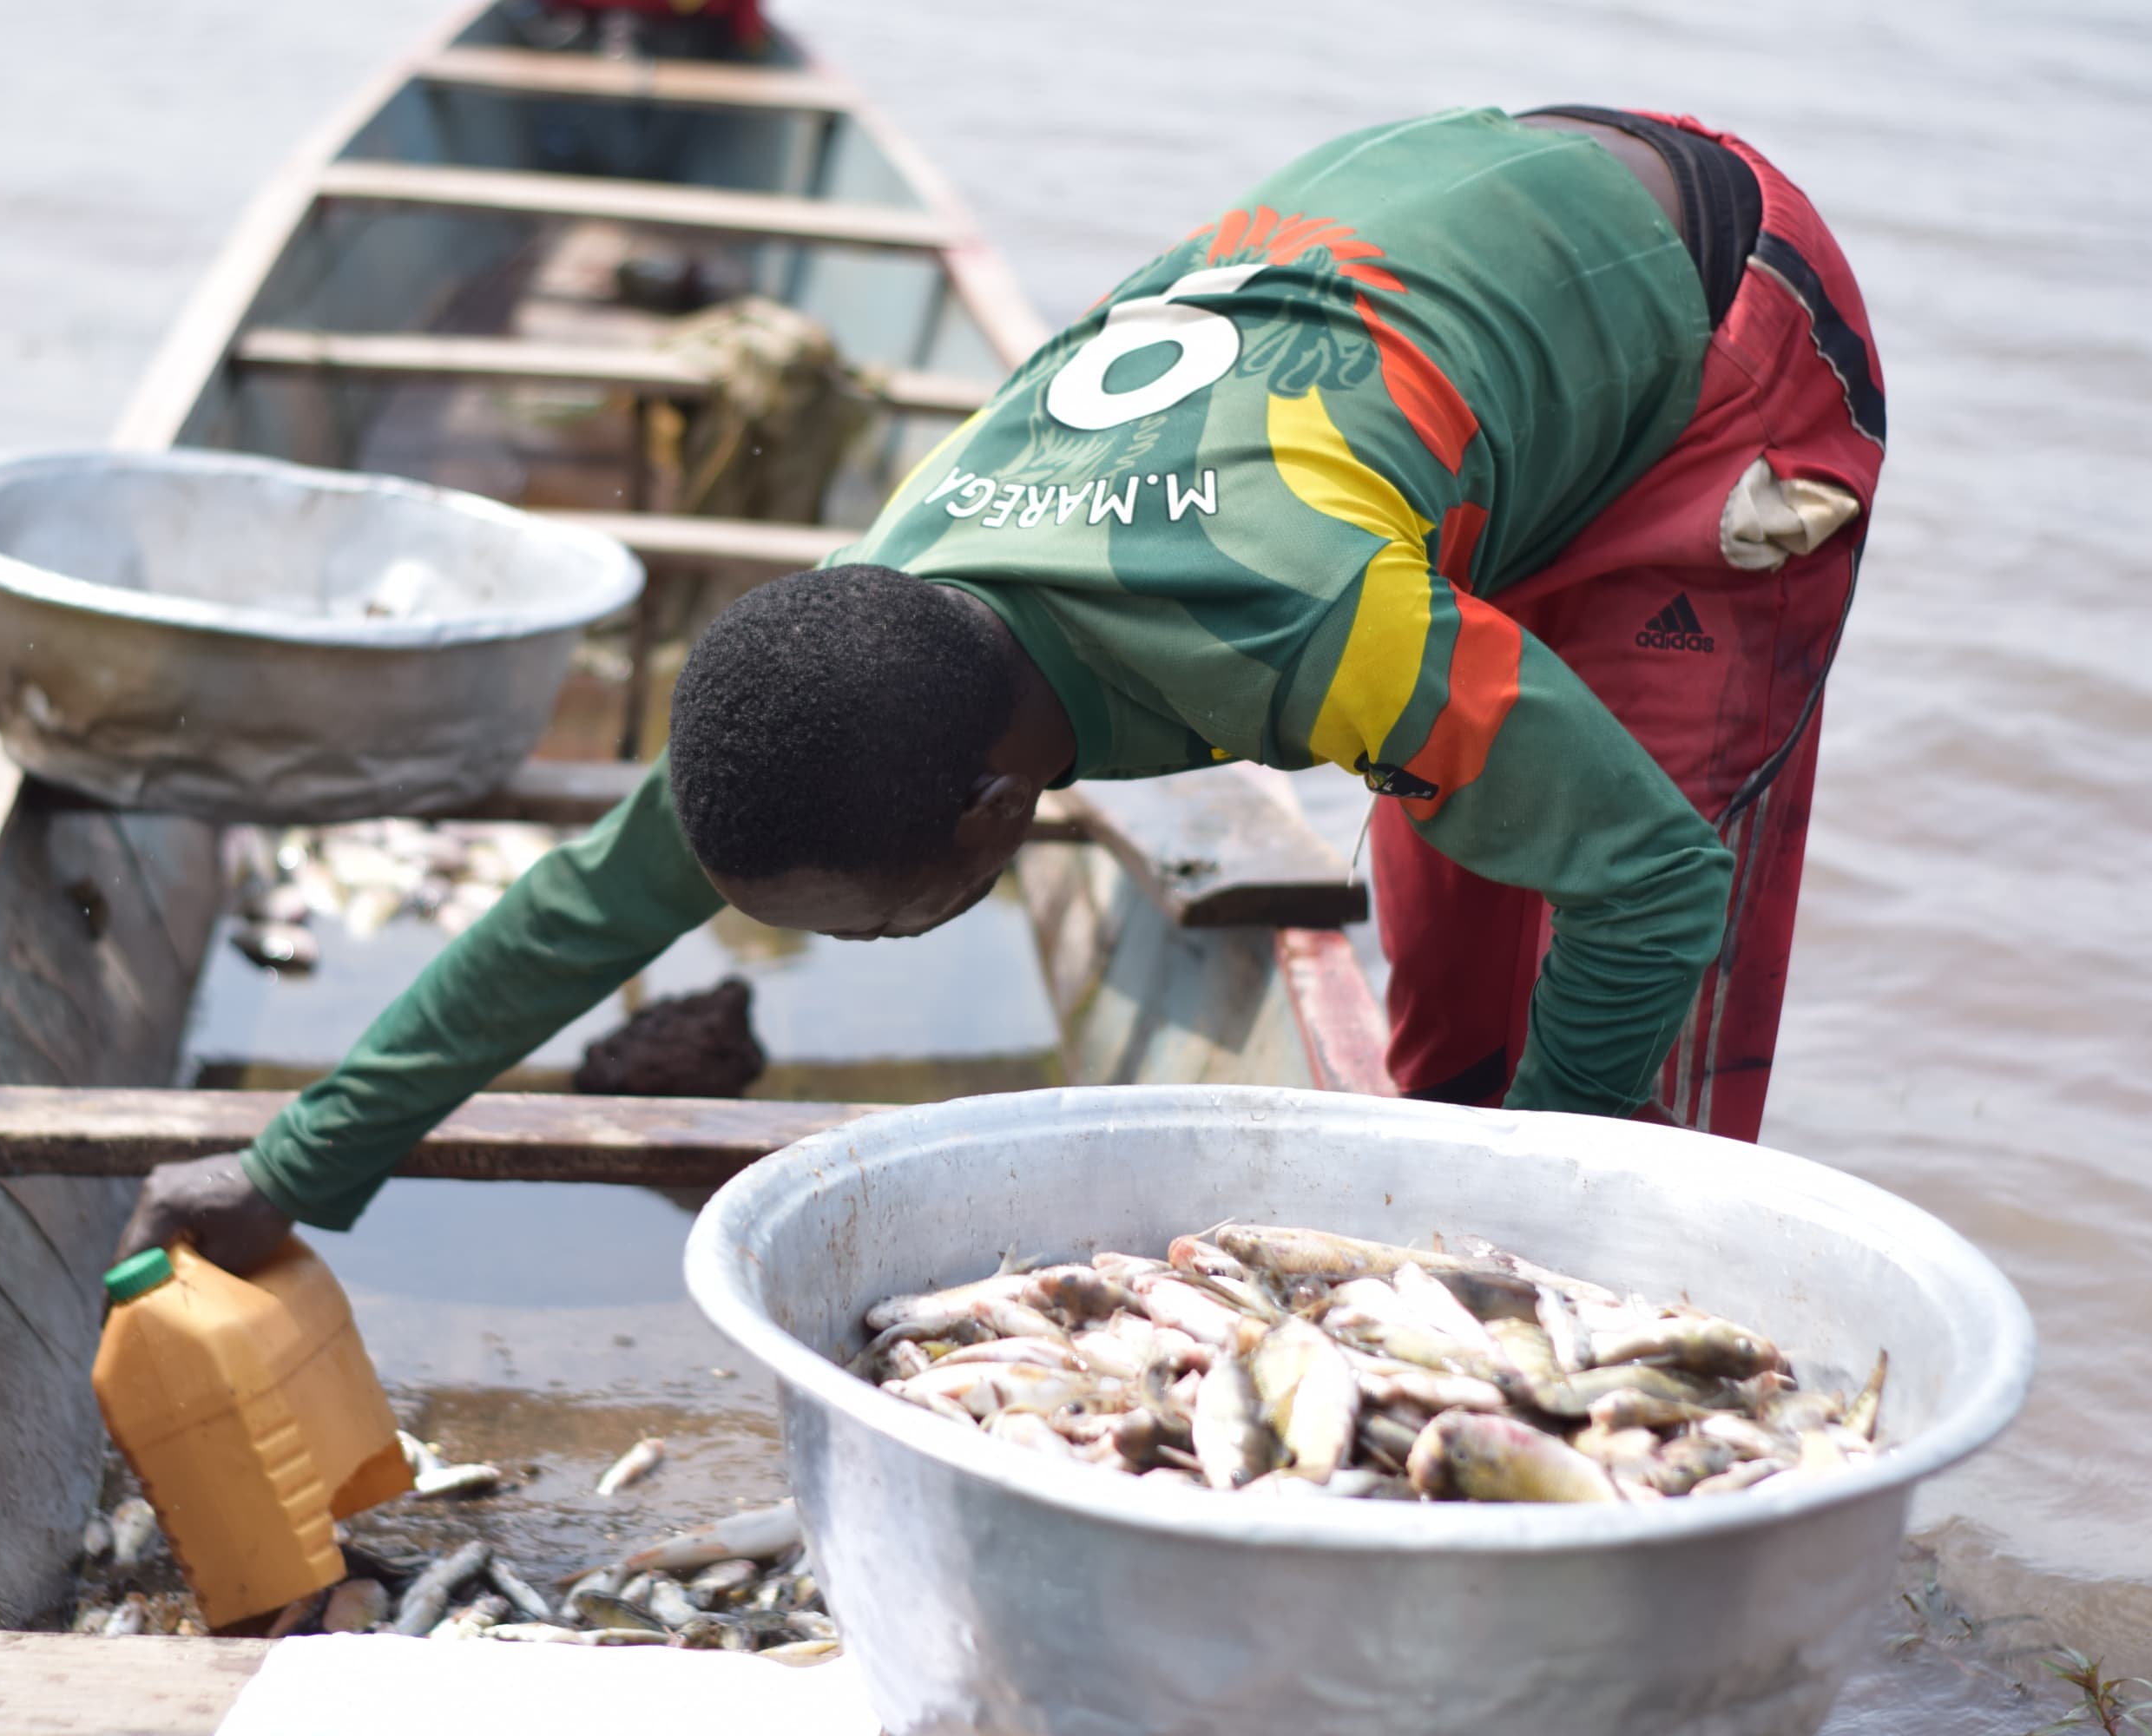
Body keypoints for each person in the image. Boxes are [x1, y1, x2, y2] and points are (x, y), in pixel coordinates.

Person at [119, 105, 1885, 1272]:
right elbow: (585, 908)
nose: (851, 945)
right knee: (1453, 964)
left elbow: (1653, 878)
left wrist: (1522, 1220)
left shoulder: (1297, 621)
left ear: (986, 818)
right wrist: (303, 1165)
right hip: (1416, 290)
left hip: (1717, 327)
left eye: (873, 923)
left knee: (1619, 918)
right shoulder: (866, 628)